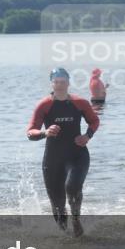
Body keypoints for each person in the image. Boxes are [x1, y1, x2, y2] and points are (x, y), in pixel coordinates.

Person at [27, 67, 100, 236]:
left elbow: (94, 121)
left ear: (68, 83)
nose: (59, 85)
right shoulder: (44, 105)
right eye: (56, 82)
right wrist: (45, 133)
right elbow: (31, 132)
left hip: (77, 155)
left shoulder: (80, 103)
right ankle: (63, 234)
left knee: (73, 188)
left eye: (63, 82)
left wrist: (87, 136)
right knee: (58, 203)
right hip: (53, 159)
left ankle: (75, 219)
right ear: (52, 83)